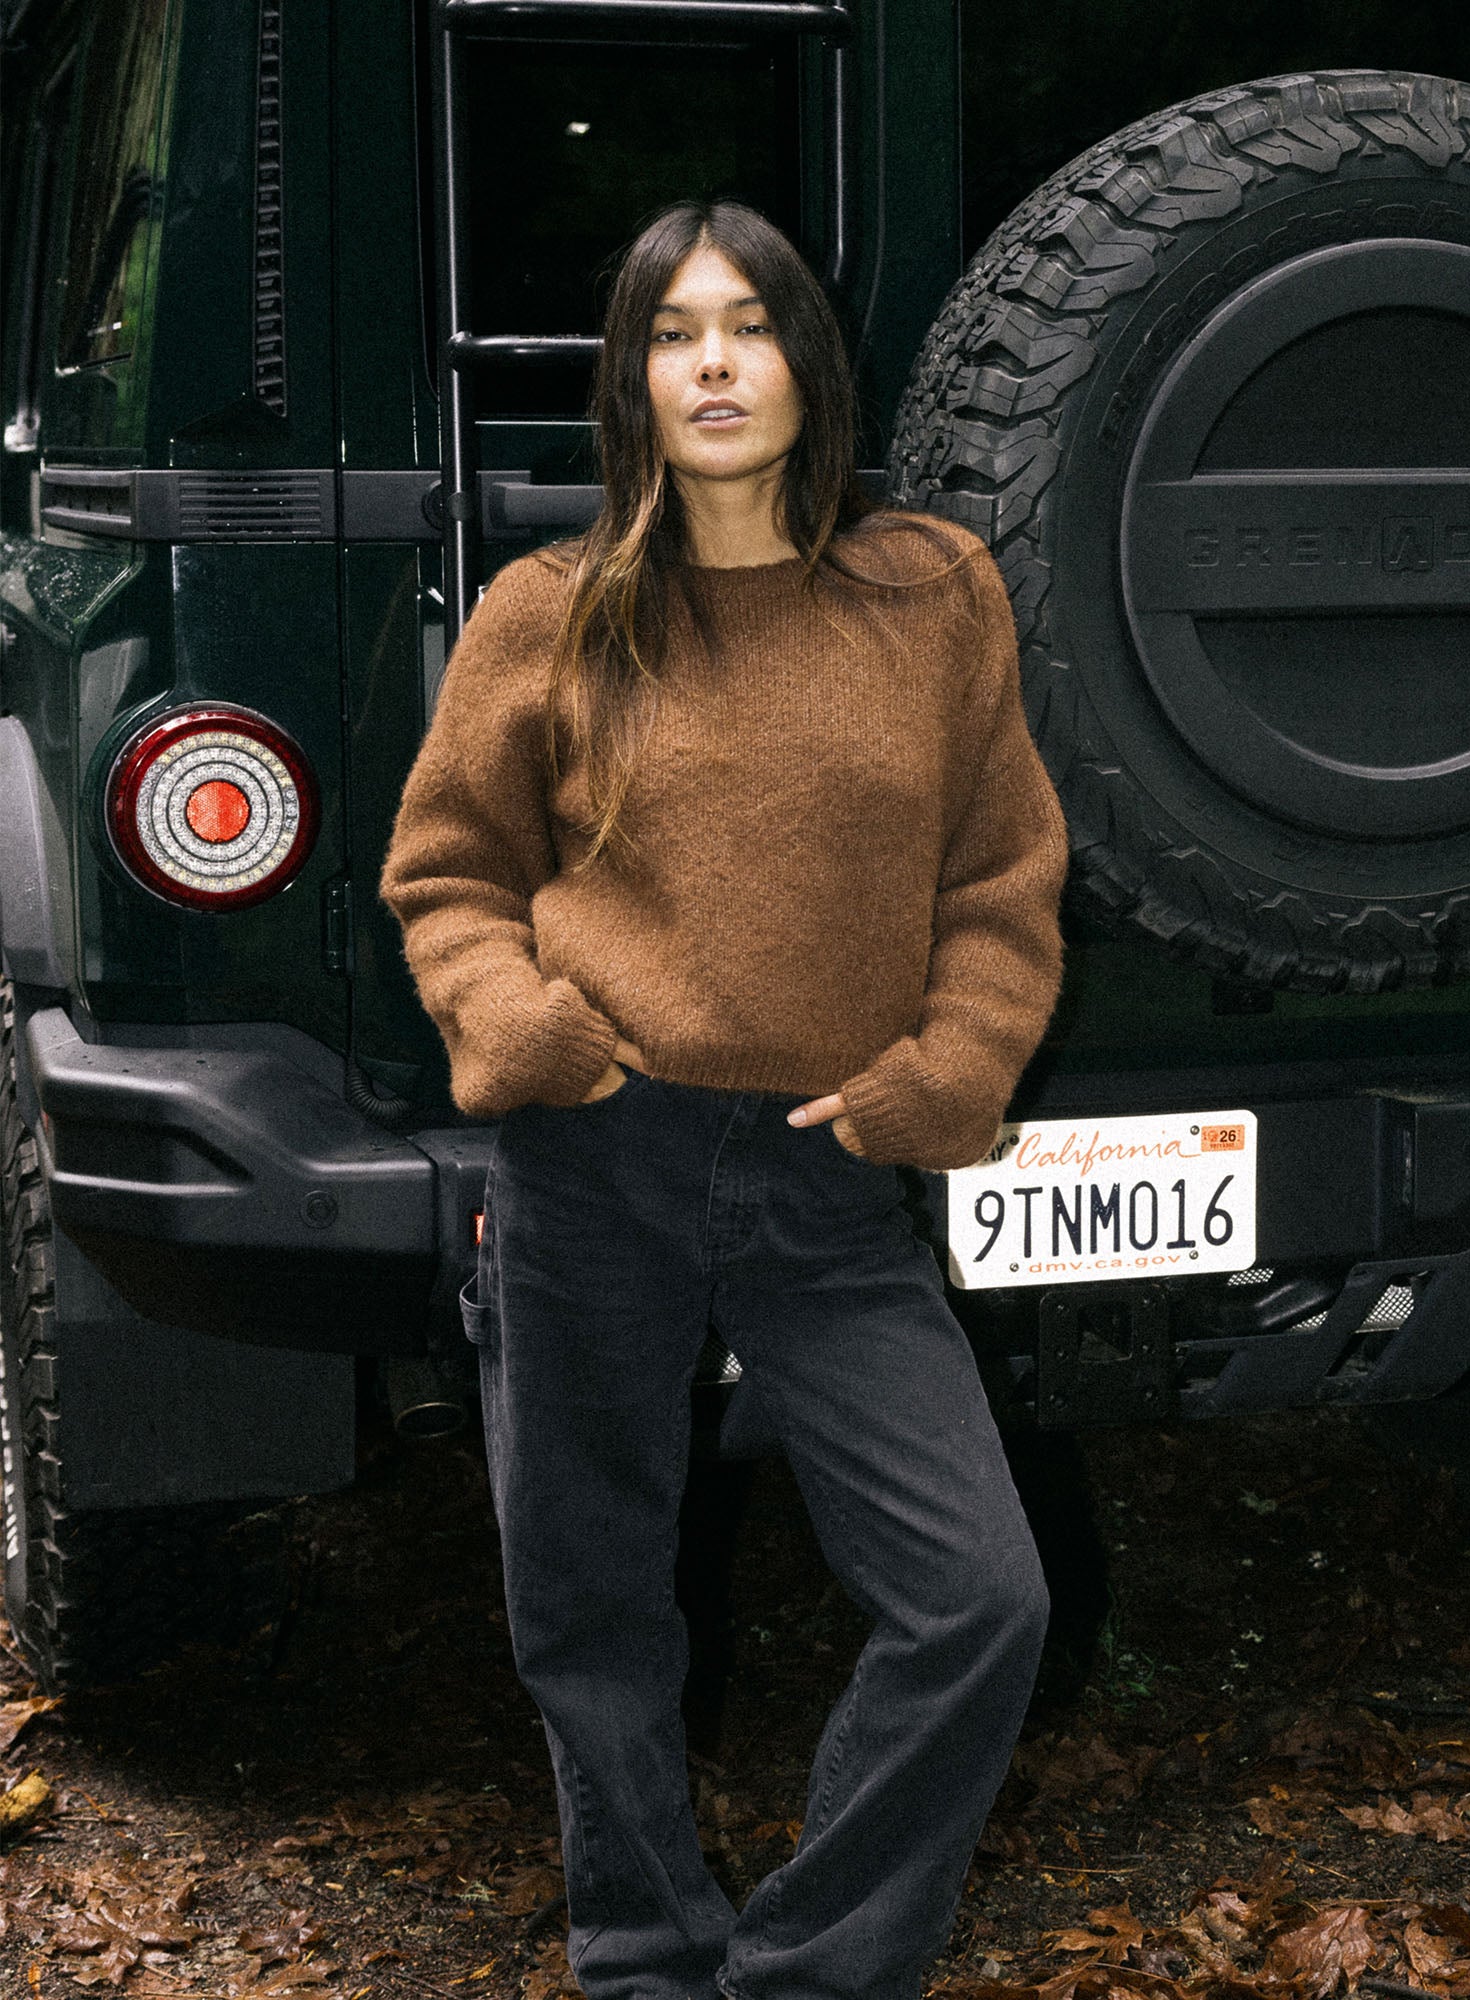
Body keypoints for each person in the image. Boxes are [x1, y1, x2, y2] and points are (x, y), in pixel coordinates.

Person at [378, 198, 1071, 2000]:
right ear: (632, 378)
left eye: (748, 326)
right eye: (674, 332)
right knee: (591, 1608)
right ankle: (641, 1958)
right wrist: (515, 1025)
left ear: (804, 361)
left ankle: (813, 1973)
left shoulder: (929, 594)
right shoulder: (552, 612)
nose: (712, 363)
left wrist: (952, 1071)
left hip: (824, 1180)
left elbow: (1002, 884)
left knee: (979, 1600)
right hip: (589, 1164)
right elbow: (446, 872)